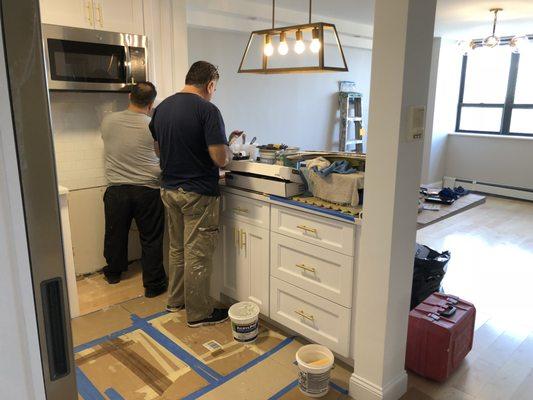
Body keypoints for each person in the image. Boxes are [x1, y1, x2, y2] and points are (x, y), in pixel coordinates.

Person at [149, 61, 242, 327]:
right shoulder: (208, 110)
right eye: (215, 87)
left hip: (169, 190)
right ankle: (199, 313)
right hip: (198, 193)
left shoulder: (162, 109)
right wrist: (230, 150)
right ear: (210, 84)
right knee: (197, 253)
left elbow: (158, 151)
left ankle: (175, 301)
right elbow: (220, 159)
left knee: (177, 248)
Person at [100, 81, 167, 298]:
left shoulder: (108, 121)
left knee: (115, 234)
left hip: (116, 190)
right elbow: (160, 154)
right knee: (150, 238)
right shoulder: (153, 125)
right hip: (147, 189)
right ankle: (154, 285)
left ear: (130, 96)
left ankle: (113, 273)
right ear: (151, 103)